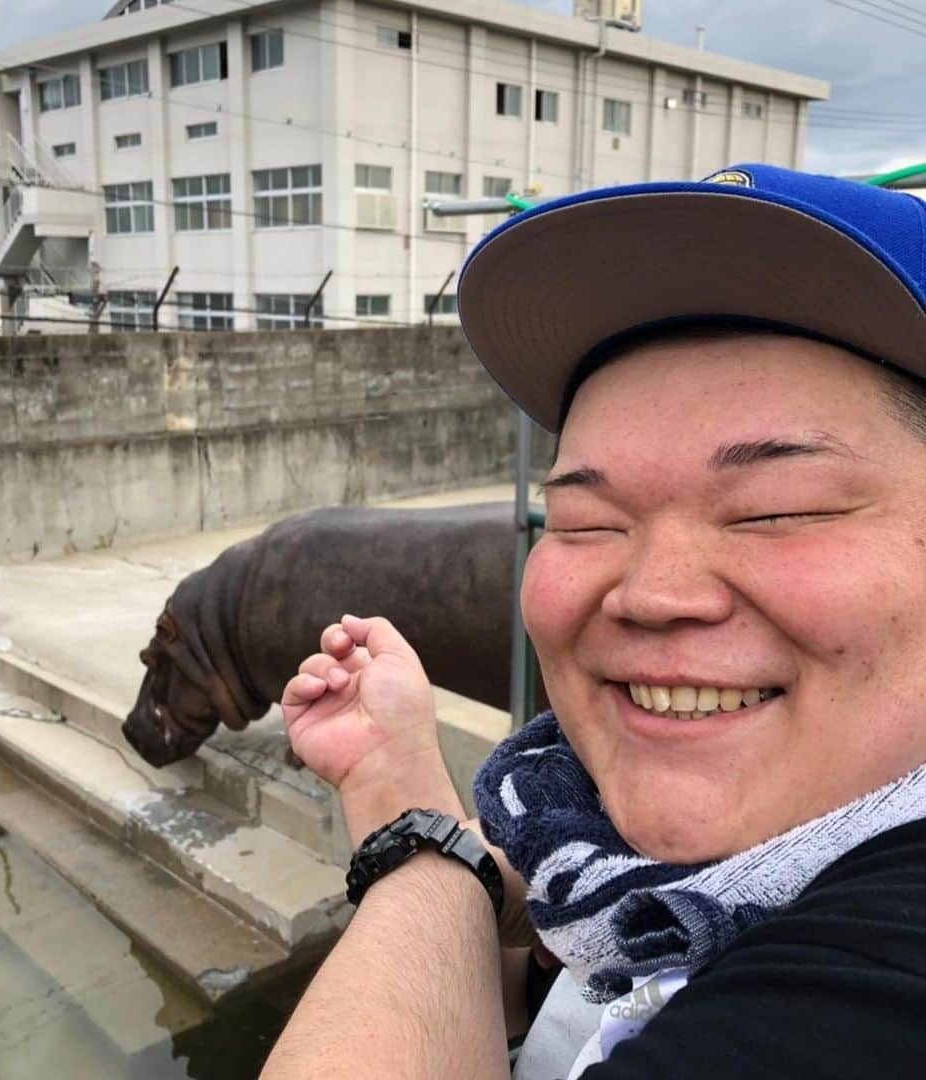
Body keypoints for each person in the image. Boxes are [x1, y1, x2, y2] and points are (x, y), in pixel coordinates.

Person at [260, 164, 926, 1078]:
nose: (650, 592)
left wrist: (417, 839)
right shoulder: (604, 861)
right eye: (586, 520)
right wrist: (397, 779)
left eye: (778, 506)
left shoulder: (880, 987)